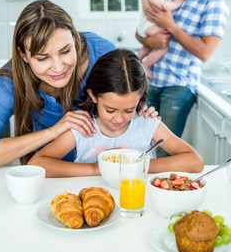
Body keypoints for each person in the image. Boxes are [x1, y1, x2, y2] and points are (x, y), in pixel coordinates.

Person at [0, 0, 159, 168]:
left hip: (102, 174)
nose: (58, 68)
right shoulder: (8, 83)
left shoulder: (102, 53)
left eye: (65, 51)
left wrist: (138, 109)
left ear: (75, 38)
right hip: (51, 173)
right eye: (42, 58)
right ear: (23, 55)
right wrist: (52, 132)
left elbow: (127, 97)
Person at [28, 49, 204, 177]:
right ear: (93, 95)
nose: (119, 119)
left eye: (129, 110)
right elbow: (37, 164)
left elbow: (195, 162)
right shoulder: (84, 127)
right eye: (110, 110)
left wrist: (137, 165)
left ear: (139, 100)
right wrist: (95, 169)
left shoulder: (146, 123)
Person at [135, 0, 229, 156]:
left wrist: (171, 26)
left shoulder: (213, 1)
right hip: (151, 82)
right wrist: (150, 40)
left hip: (178, 87)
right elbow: (140, 33)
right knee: (141, 147)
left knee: (164, 151)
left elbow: (206, 52)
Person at [137, 0, 184, 78]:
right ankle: (145, 65)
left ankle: (136, 60)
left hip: (147, 23)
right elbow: (164, 5)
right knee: (164, 44)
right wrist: (178, 1)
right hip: (149, 25)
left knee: (148, 46)